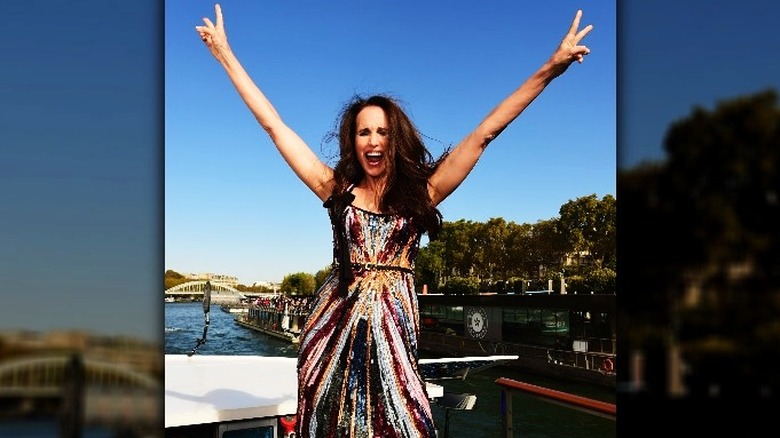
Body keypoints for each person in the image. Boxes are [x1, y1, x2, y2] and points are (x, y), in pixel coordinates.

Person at [196, 4, 592, 437]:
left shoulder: (423, 193)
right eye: (364, 132)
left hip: (395, 327)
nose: (373, 140)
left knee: (405, 420)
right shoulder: (336, 190)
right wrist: (225, 55)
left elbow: (484, 134)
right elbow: (275, 126)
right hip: (333, 325)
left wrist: (551, 69)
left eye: (382, 131)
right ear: (353, 141)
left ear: (395, 139)